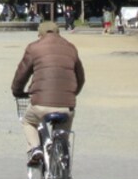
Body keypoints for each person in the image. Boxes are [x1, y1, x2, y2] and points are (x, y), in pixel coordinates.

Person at [11, 21, 86, 163]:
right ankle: (62, 153)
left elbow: (22, 74)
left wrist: (17, 91)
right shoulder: (71, 48)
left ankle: (35, 148)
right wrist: (72, 94)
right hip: (67, 106)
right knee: (63, 134)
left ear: (40, 35)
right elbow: (81, 78)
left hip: (40, 104)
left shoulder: (34, 48)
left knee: (28, 121)